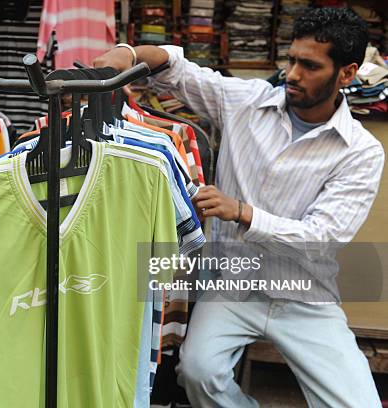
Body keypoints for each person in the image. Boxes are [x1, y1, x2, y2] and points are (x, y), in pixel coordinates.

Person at [94, 7, 384, 408]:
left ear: (347, 73)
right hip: (232, 285)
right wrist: (127, 53)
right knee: (198, 374)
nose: (293, 74)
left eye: (310, 65)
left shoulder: (361, 151)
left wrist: (242, 212)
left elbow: (323, 238)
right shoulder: (247, 102)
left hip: (304, 295)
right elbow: (177, 69)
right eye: (292, 59)